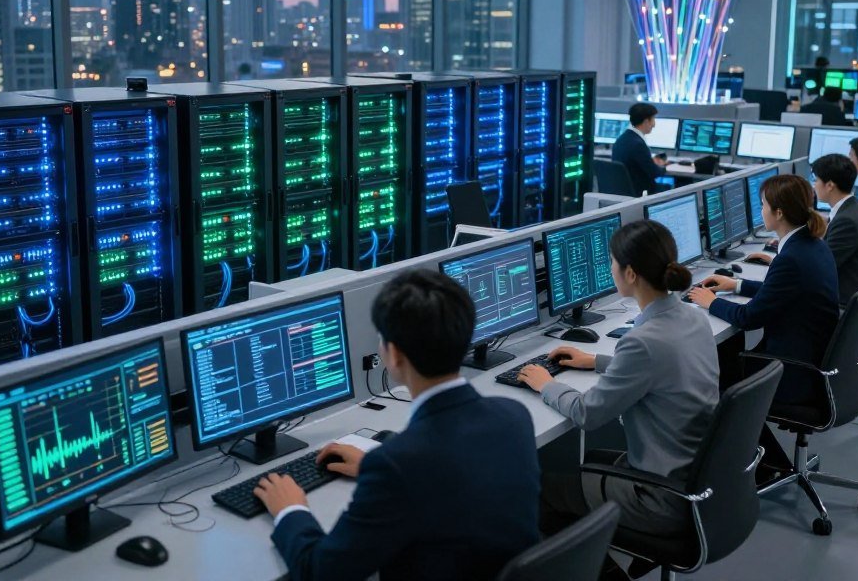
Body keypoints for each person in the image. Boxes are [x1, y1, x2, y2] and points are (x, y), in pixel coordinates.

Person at [253, 269, 540, 581]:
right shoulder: (514, 417)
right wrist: (375, 462)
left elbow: (320, 572)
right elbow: (452, 469)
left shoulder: (398, 466)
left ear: (394, 355)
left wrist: (290, 510)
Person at [519, 220, 719, 536]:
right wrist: (595, 361)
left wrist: (547, 384)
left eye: (612, 261)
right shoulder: (693, 317)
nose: (610, 268)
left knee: (538, 492)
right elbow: (663, 367)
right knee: (593, 459)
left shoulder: (642, 342)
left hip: (662, 495)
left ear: (630, 274)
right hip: (696, 477)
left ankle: (588, 560)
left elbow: (587, 414)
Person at [689, 175, 839, 405]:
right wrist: (736, 284)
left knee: (718, 354)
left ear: (778, 213)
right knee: (729, 347)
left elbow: (748, 318)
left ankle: (730, 419)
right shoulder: (813, 244)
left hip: (790, 372)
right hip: (809, 354)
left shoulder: (791, 258)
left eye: (763, 205)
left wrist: (711, 301)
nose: (760, 211)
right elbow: (783, 291)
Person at [811, 153, 858, 305]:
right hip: (849, 296)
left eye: (816, 180)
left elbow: (819, 268)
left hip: (839, 304)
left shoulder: (847, 221)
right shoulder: (855, 208)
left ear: (830, 185)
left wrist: (784, 259)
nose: (814, 185)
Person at [612, 102, 667, 196]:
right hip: (641, 192)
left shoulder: (621, 139)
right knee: (674, 187)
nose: (654, 125)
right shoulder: (638, 145)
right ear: (646, 121)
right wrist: (663, 166)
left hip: (624, 191)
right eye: (653, 119)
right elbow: (654, 173)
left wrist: (650, 162)